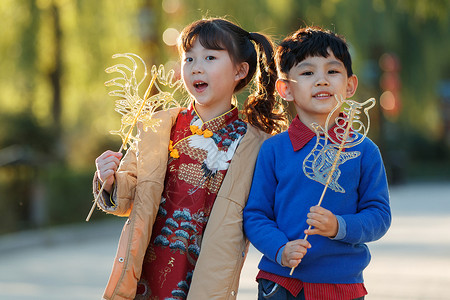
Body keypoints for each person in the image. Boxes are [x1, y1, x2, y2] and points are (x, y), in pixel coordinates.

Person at [93, 18, 287, 300]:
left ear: (240, 70)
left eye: (210, 57)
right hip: (146, 267)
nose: (196, 67)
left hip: (208, 273)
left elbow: (262, 212)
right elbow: (128, 197)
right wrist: (109, 180)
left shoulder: (257, 144)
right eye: (188, 58)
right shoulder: (157, 127)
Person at [243, 26, 391, 300]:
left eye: (332, 71)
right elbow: (256, 215)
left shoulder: (364, 150)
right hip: (281, 282)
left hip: (341, 284)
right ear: (286, 89)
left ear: (349, 85)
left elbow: (379, 215)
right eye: (308, 73)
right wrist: (280, 249)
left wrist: (338, 226)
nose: (322, 80)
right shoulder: (273, 150)